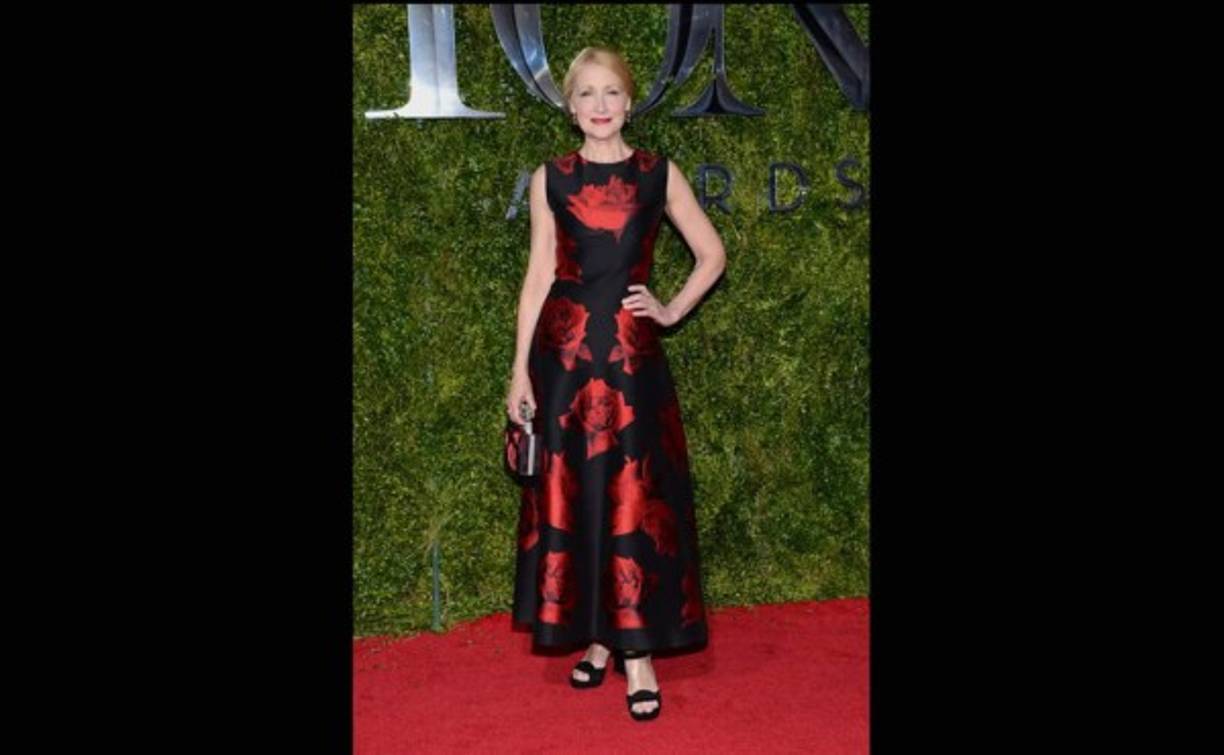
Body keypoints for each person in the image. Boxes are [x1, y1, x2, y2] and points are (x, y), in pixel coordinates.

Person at [506, 46, 726, 722]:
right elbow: (538, 276)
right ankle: (599, 637)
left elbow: (712, 253)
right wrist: (519, 370)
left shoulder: (658, 174)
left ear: (629, 102)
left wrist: (670, 309)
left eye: (611, 93)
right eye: (587, 94)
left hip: (632, 365)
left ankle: (637, 654)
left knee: (632, 498)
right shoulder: (551, 179)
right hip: (564, 364)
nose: (600, 105)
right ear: (571, 108)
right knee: (581, 501)